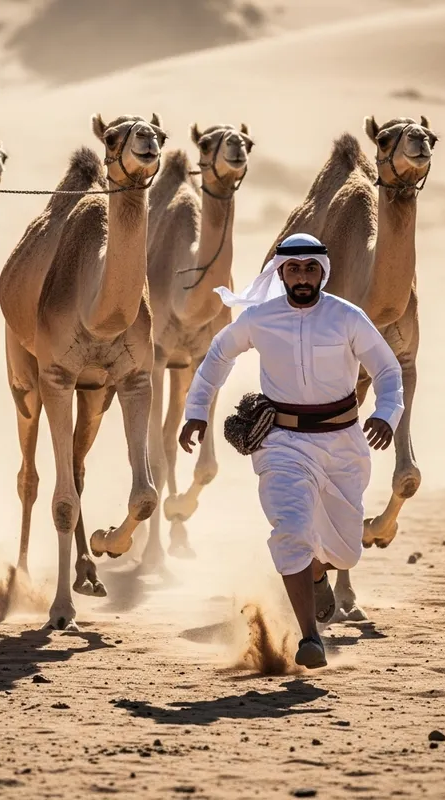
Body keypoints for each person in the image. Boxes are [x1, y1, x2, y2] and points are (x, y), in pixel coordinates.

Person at [179, 233, 403, 669]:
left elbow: (388, 371)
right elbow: (217, 357)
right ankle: (310, 637)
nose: (302, 277)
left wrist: (386, 414)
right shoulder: (260, 318)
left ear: (323, 271)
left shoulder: (347, 317)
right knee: (291, 527)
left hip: (343, 444)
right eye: (294, 269)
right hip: (281, 442)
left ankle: (319, 570)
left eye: (310, 268)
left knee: (346, 553)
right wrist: (196, 411)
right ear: (280, 273)